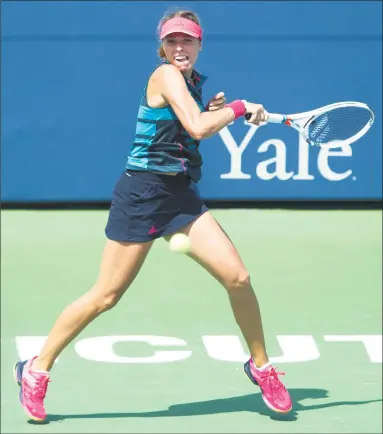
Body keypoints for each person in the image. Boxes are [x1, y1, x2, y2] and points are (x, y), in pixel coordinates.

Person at [14, 9, 292, 422]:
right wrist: (237, 107)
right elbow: (197, 128)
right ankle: (35, 369)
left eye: (188, 41)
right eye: (172, 41)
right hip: (142, 194)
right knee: (106, 296)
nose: (180, 48)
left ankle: (262, 367)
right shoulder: (165, 76)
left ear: (199, 45)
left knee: (239, 278)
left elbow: (192, 126)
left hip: (180, 198)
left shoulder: (193, 83)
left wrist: (220, 109)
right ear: (162, 47)